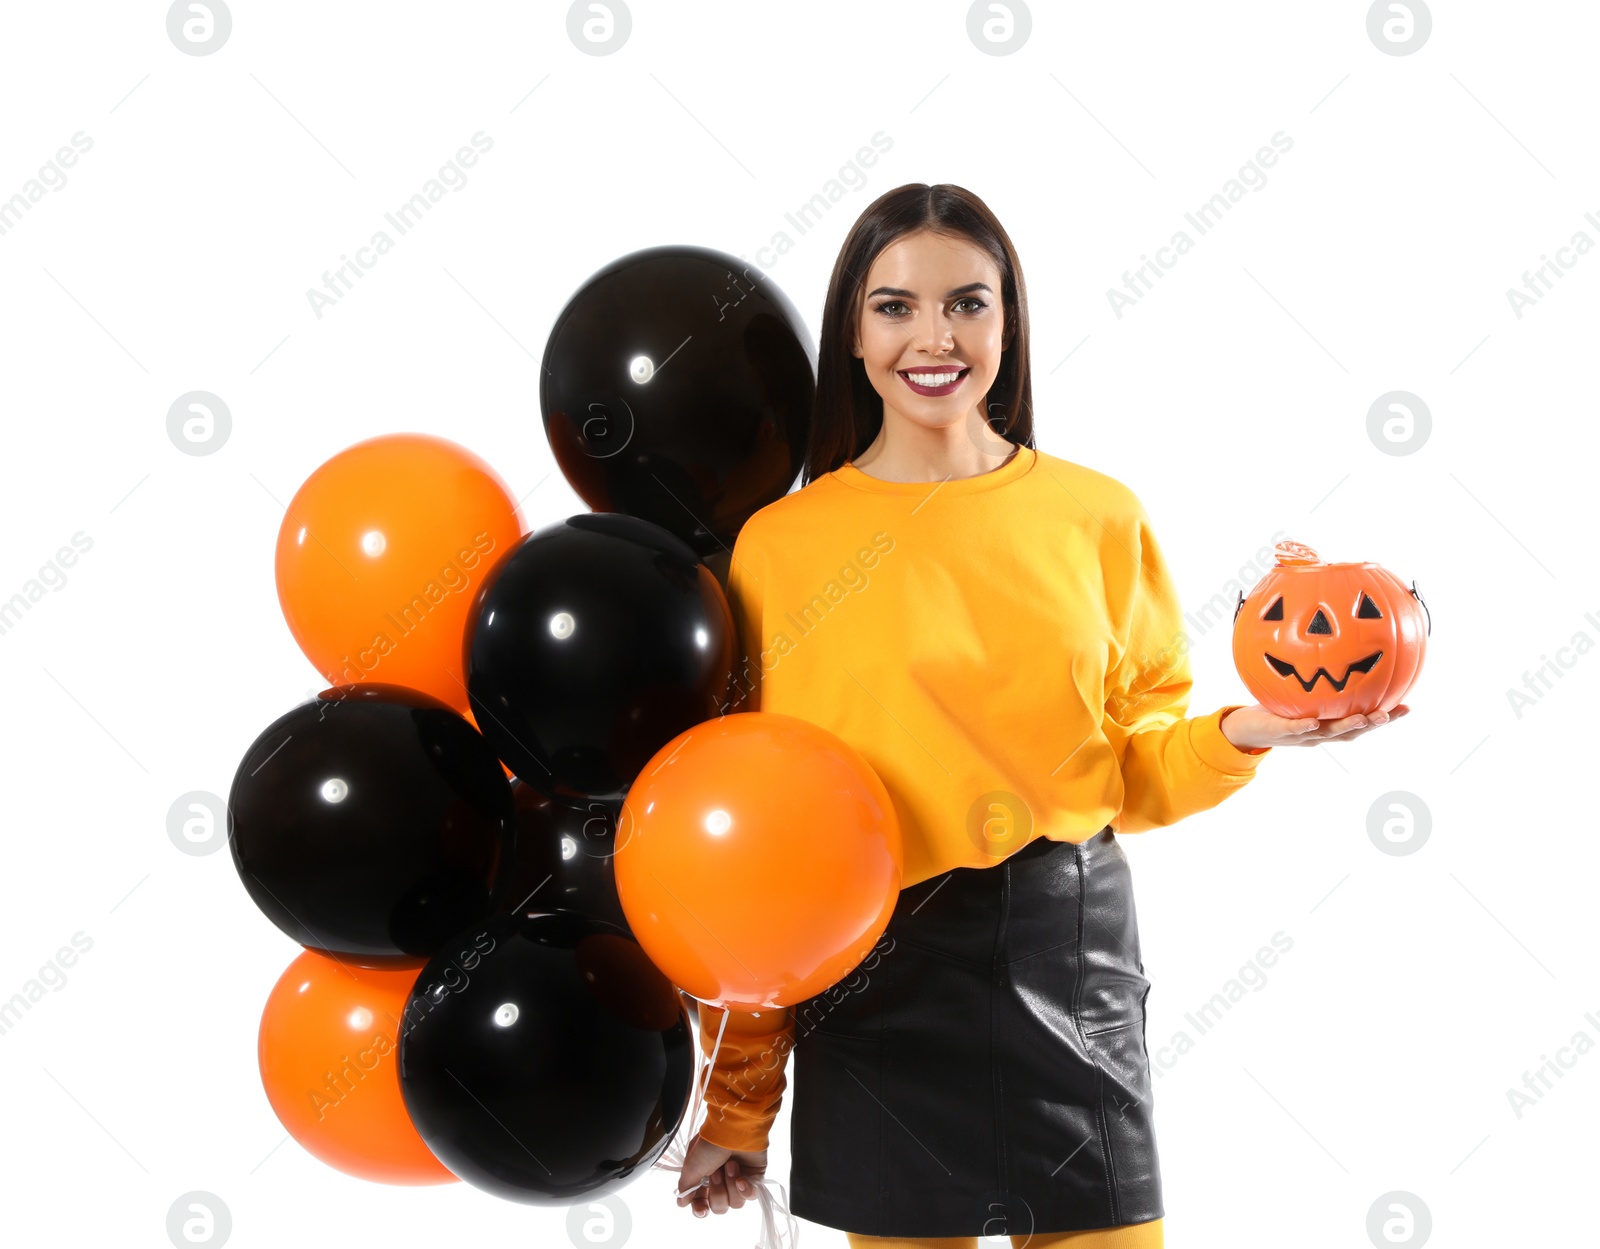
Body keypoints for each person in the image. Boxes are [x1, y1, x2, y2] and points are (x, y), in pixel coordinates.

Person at [673, 183, 1407, 1248]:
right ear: (852, 333)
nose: (936, 336)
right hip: (872, 978)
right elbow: (760, 853)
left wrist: (1240, 733)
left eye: (968, 303)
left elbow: (1136, 773)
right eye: (895, 307)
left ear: (1009, 322)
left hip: (1068, 957)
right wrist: (738, 1107)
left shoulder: (1097, 517)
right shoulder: (779, 549)